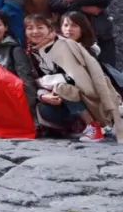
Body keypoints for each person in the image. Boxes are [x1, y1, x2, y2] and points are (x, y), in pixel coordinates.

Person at [25, 13, 121, 142]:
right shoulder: (33, 51)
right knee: (47, 108)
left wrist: (43, 82)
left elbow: (74, 77)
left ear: (50, 29)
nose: (35, 31)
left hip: (89, 99)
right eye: (65, 25)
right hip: (64, 99)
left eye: (40, 27)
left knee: (63, 88)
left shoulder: (68, 47)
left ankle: (92, 126)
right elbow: (33, 79)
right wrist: (42, 94)